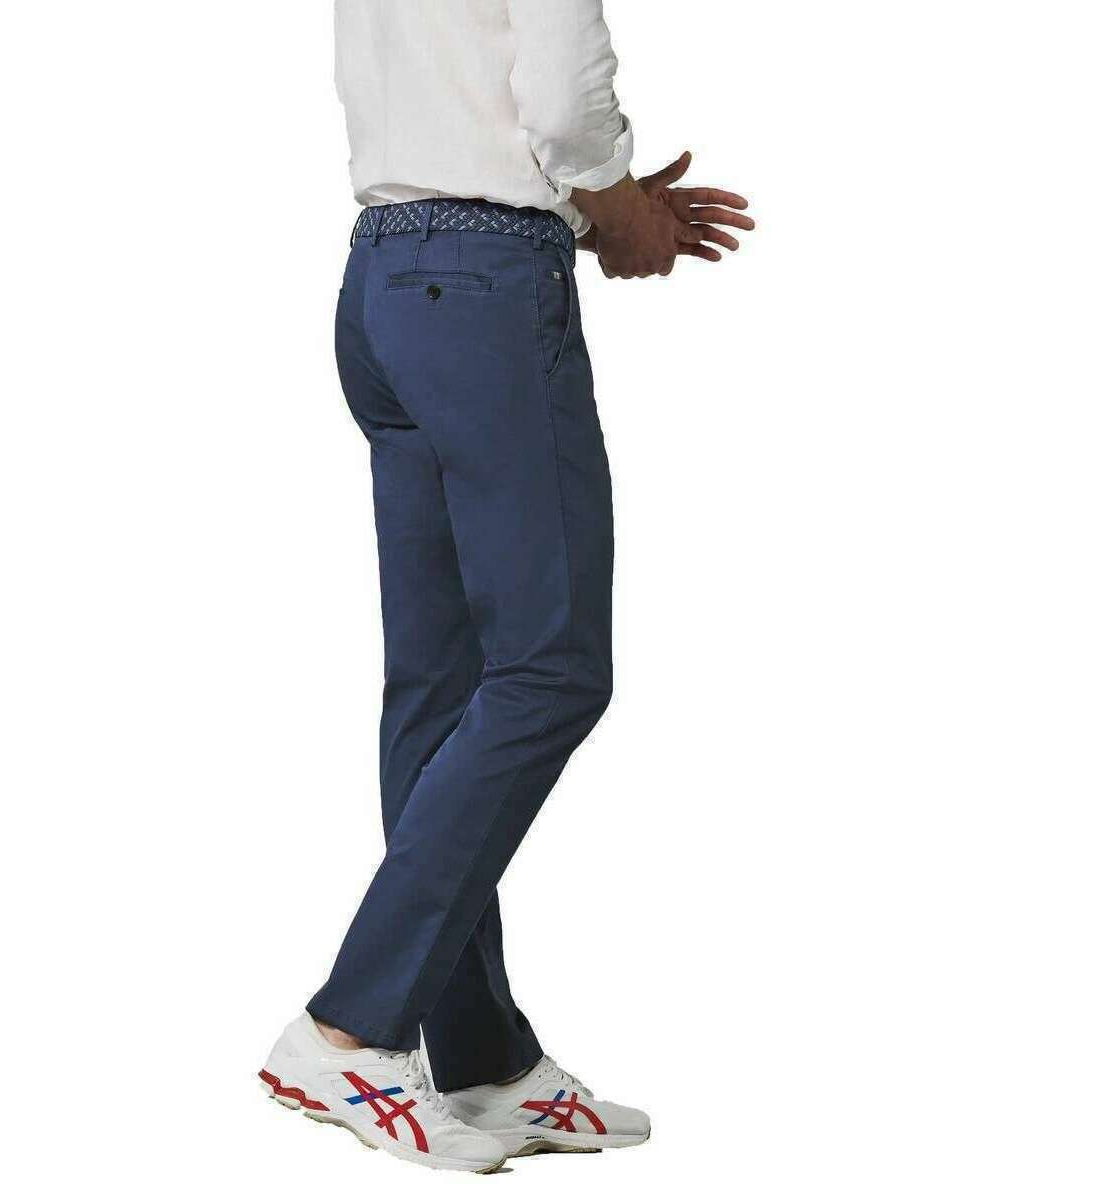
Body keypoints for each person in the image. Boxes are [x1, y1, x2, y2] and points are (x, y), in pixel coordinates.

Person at [259, 0, 754, 1174]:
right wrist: (615, 203)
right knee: (550, 670)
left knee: (441, 691)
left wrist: (592, 208)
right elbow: (566, 100)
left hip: (387, 280)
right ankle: (348, 1028)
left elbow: (448, 96)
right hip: (481, 290)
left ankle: (480, 1058)